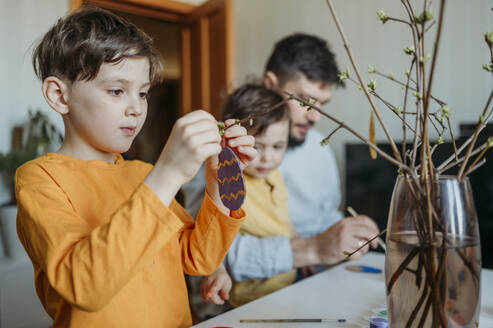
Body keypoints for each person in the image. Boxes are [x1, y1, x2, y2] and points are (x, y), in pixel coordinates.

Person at [15, 7, 256, 328]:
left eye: (142, 93)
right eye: (117, 91)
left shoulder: (143, 174)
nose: (136, 108)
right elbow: (85, 285)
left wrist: (220, 183)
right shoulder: (40, 179)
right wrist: (167, 173)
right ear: (60, 95)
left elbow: (198, 258)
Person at [183, 33, 379, 315]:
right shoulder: (223, 153)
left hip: (310, 287)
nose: (315, 116)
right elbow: (210, 253)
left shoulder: (319, 149)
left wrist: (351, 234)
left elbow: (325, 216)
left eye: (323, 103)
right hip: (237, 305)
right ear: (272, 85)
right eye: (306, 100)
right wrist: (311, 249)